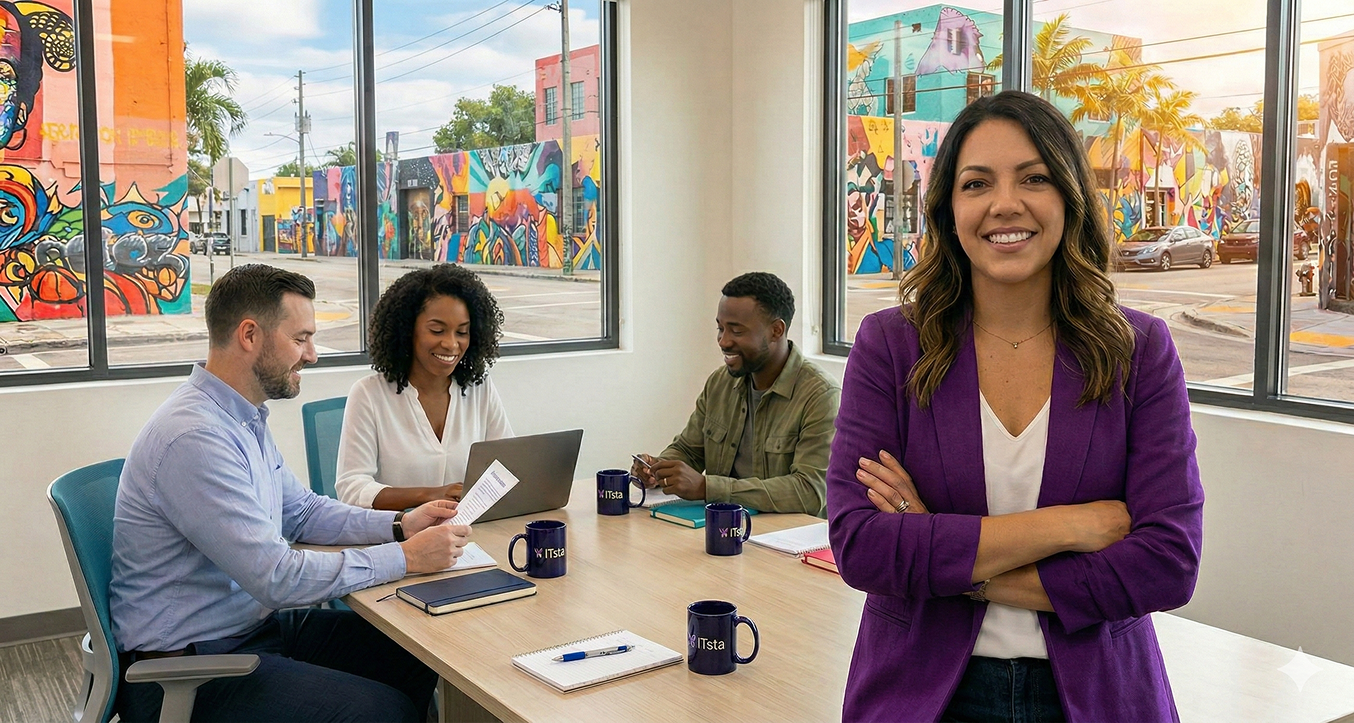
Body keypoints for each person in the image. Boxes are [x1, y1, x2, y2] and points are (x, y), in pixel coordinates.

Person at [826, 91, 1205, 722]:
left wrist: (952, 560)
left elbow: (1167, 563)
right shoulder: (890, 347)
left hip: (1095, 697)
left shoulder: (1138, 351)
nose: (1006, 204)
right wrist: (1071, 527)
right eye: (977, 183)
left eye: (1034, 178)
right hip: (921, 696)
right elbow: (862, 547)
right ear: (949, 209)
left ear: (1068, 199)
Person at [110, 264, 470, 723]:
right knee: (381, 711)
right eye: (301, 339)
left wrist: (400, 524)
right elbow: (276, 577)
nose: (313, 355)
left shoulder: (241, 418)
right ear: (249, 335)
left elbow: (300, 512)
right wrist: (406, 557)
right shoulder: (195, 437)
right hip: (187, 671)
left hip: (249, 631)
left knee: (414, 653)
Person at [631, 272, 839, 516]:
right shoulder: (720, 383)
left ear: (776, 330)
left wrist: (708, 487)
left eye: (736, 331)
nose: (723, 341)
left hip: (788, 542)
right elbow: (689, 450)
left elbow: (810, 492)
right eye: (720, 328)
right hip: (722, 530)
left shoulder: (821, 396)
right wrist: (658, 470)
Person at [336, 264, 513, 510]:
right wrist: (430, 495)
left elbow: (507, 467)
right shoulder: (369, 394)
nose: (451, 344)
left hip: (465, 534)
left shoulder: (479, 388)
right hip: (396, 538)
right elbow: (352, 488)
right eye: (437, 330)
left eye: (462, 332)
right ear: (408, 330)